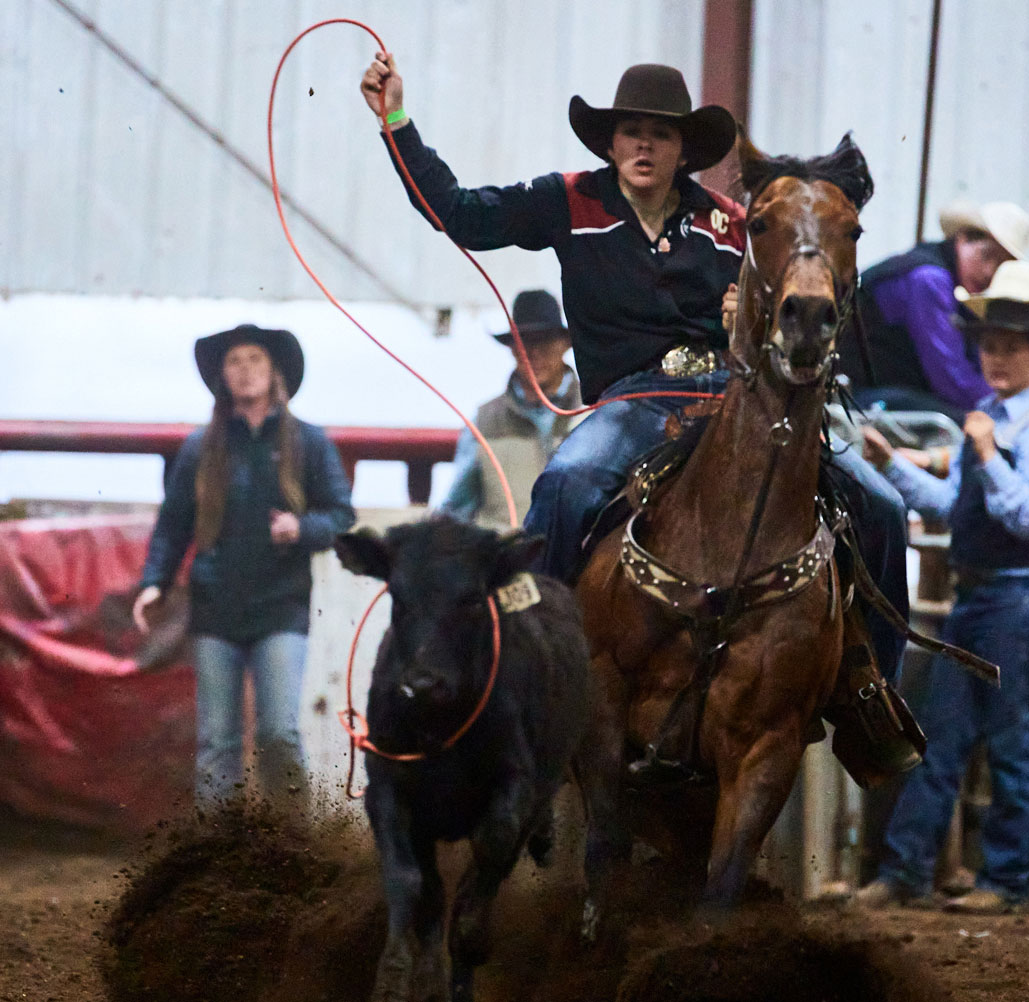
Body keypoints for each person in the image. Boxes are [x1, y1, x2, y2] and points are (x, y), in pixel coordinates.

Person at [359, 57, 915, 772]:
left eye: (660, 134)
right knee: (567, 482)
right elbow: (461, 214)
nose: (644, 146)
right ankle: (540, 669)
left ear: (686, 149)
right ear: (610, 143)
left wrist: (750, 306)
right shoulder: (566, 201)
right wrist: (397, 123)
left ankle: (872, 693)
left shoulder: (733, 224)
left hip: (732, 399)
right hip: (632, 401)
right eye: (631, 133)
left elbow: (797, 288)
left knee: (883, 507)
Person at [852, 261, 1029, 914]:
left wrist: (984, 453)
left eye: (1010, 344)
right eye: (989, 344)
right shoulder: (991, 416)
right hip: (985, 597)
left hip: (1021, 595)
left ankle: (1004, 880)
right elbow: (952, 507)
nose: (996, 356)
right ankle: (906, 872)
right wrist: (890, 465)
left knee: (1010, 739)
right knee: (942, 738)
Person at [132, 325, 355, 805]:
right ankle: (218, 854)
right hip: (216, 609)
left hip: (281, 606)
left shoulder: (309, 442)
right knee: (218, 742)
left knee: (278, 733)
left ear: (275, 370)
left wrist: (302, 529)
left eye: (255, 358)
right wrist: (154, 582)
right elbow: (173, 525)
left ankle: (292, 845)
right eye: (235, 361)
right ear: (222, 376)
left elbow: (342, 517)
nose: (245, 370)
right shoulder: (200, 448)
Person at [840, 198, 1029, 423]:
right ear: (962, 240)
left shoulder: (954, 285)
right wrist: (1013, 408)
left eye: (1002, 265)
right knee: (974, 424)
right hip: (861, 395)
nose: (990, 271)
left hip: (891, 392)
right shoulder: (929, 280)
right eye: (987, 256)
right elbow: (951, 378)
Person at [441, 289, 581, 530]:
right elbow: (456, 511)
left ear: (565, 344)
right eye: (525, 341)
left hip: (581, 563)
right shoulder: (484, 422)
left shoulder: (596, 415)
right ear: (513, 348)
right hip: (506, 562)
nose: (534, 353)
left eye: (544, 340)